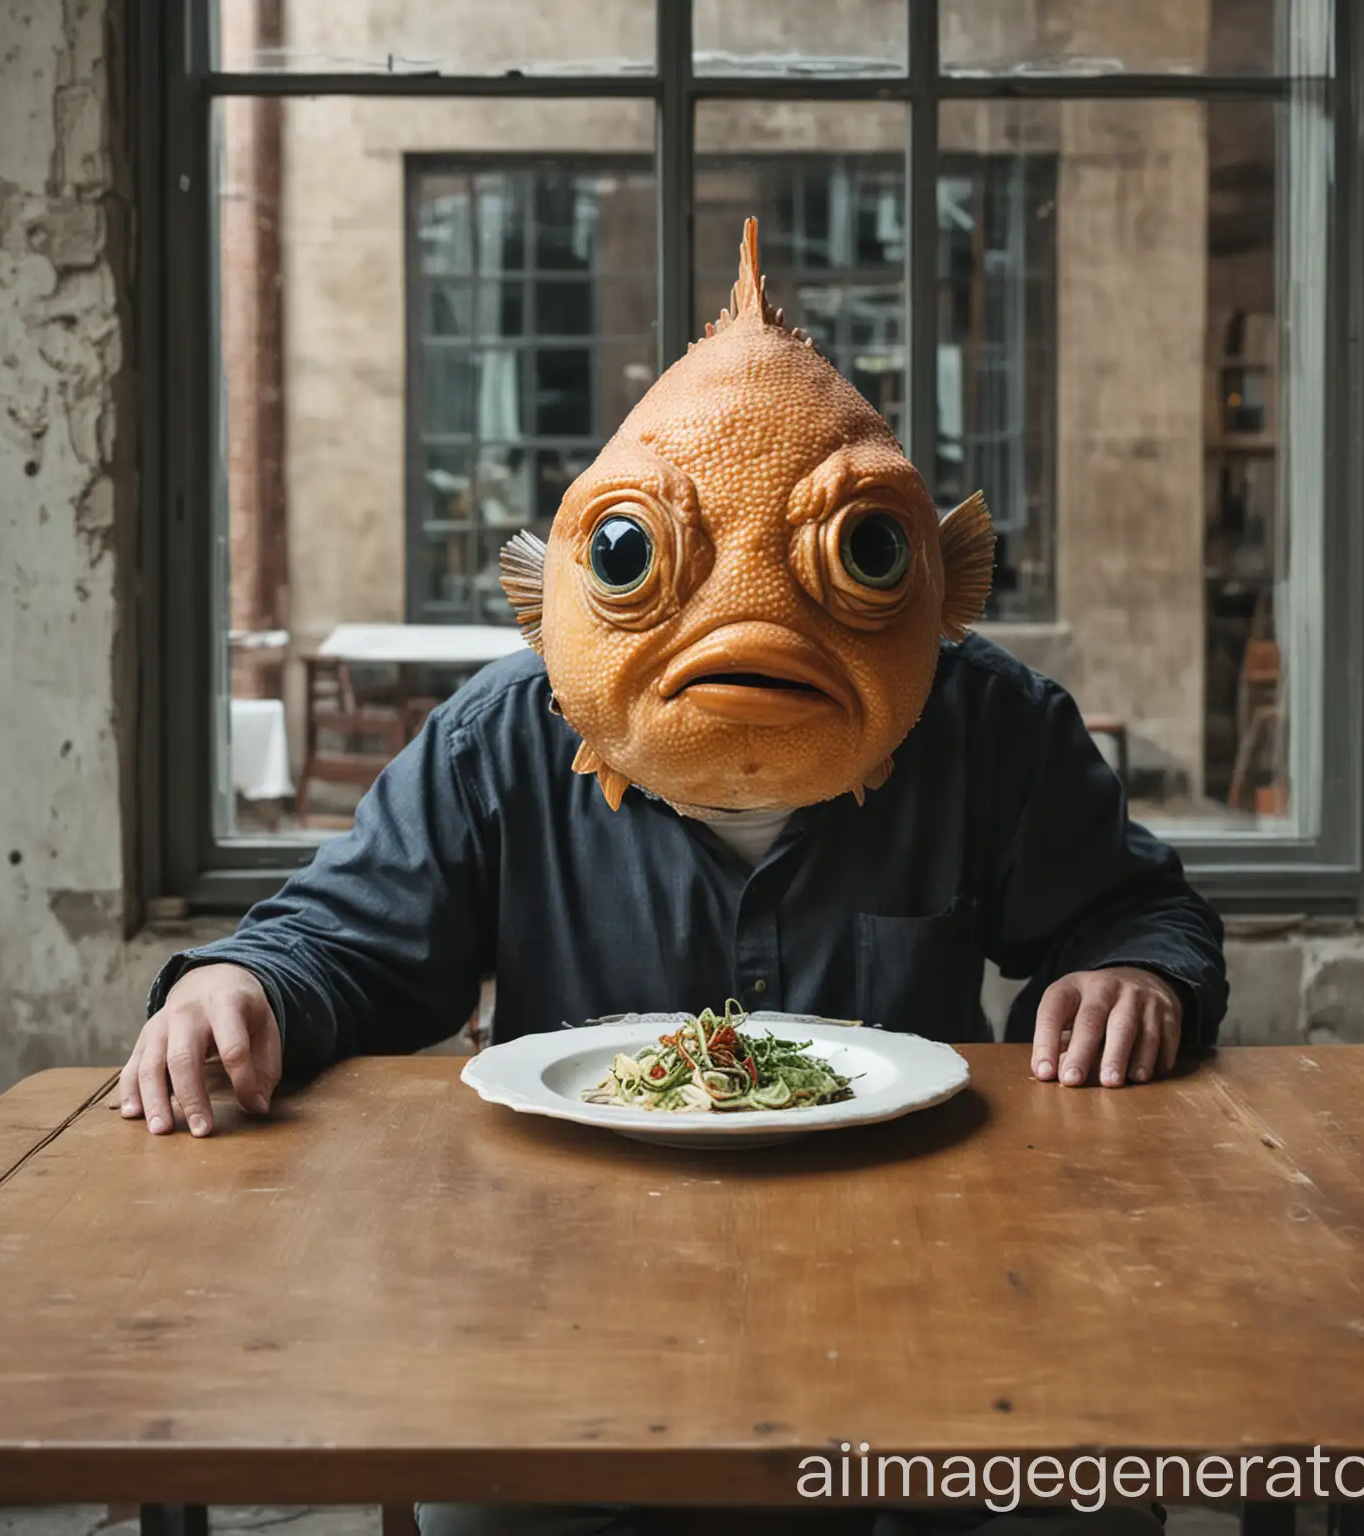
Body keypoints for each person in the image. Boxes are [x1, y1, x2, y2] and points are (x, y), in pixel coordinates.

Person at [121, 222, 1226, 1536]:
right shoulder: (499, 738)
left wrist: (1133, 970)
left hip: (932, 1286)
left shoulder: (990, 728)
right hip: (568, 1294)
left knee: (1079, 1509)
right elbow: (348, 950)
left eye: (866, 558)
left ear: (939, 580)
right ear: (560, 592)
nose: (750, 619)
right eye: (639, 560)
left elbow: (1140, 914)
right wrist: (241, 983)